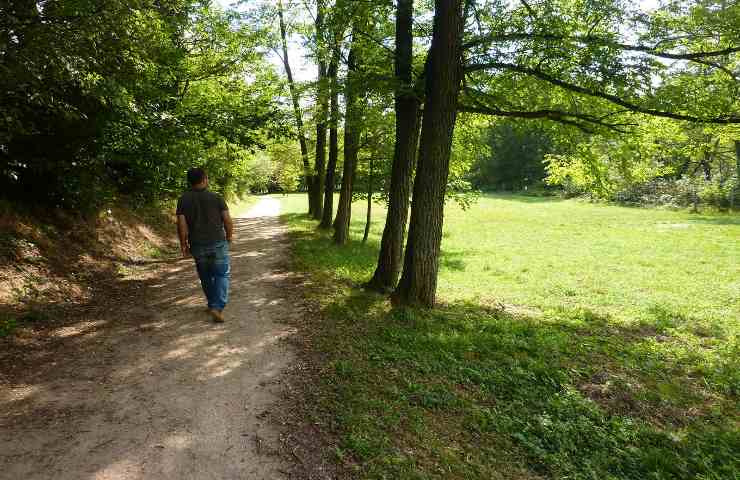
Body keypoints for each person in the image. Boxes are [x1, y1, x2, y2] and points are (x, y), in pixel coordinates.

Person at [176, 168, 234, 322]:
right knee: (221, 274)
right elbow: (227, 220)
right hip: (217, 242)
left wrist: (184, 244)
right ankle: (217, 307)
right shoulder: (216, 197)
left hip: (197, 244)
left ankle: (211, 304)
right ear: (205, 179)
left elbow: (182, 224)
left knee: (205, 275)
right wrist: (229, 237)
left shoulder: (183, 200)